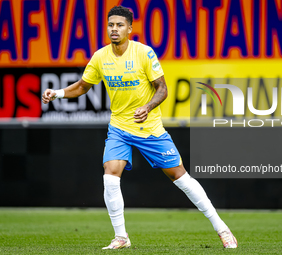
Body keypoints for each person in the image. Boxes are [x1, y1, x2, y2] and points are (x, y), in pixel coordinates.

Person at [42, 5, 237, 250]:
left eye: (119, 25)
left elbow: (163, 89)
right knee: (110, 174)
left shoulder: (144, 53)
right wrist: (57, 93)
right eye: (111, 24)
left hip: (149, 129)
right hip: (119, 128)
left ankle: (223, 229)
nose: (114, 29)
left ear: (130, 29)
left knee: (181, 177)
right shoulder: (100, 56)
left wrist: (148, 106)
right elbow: (83, 86)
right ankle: (121, 237)